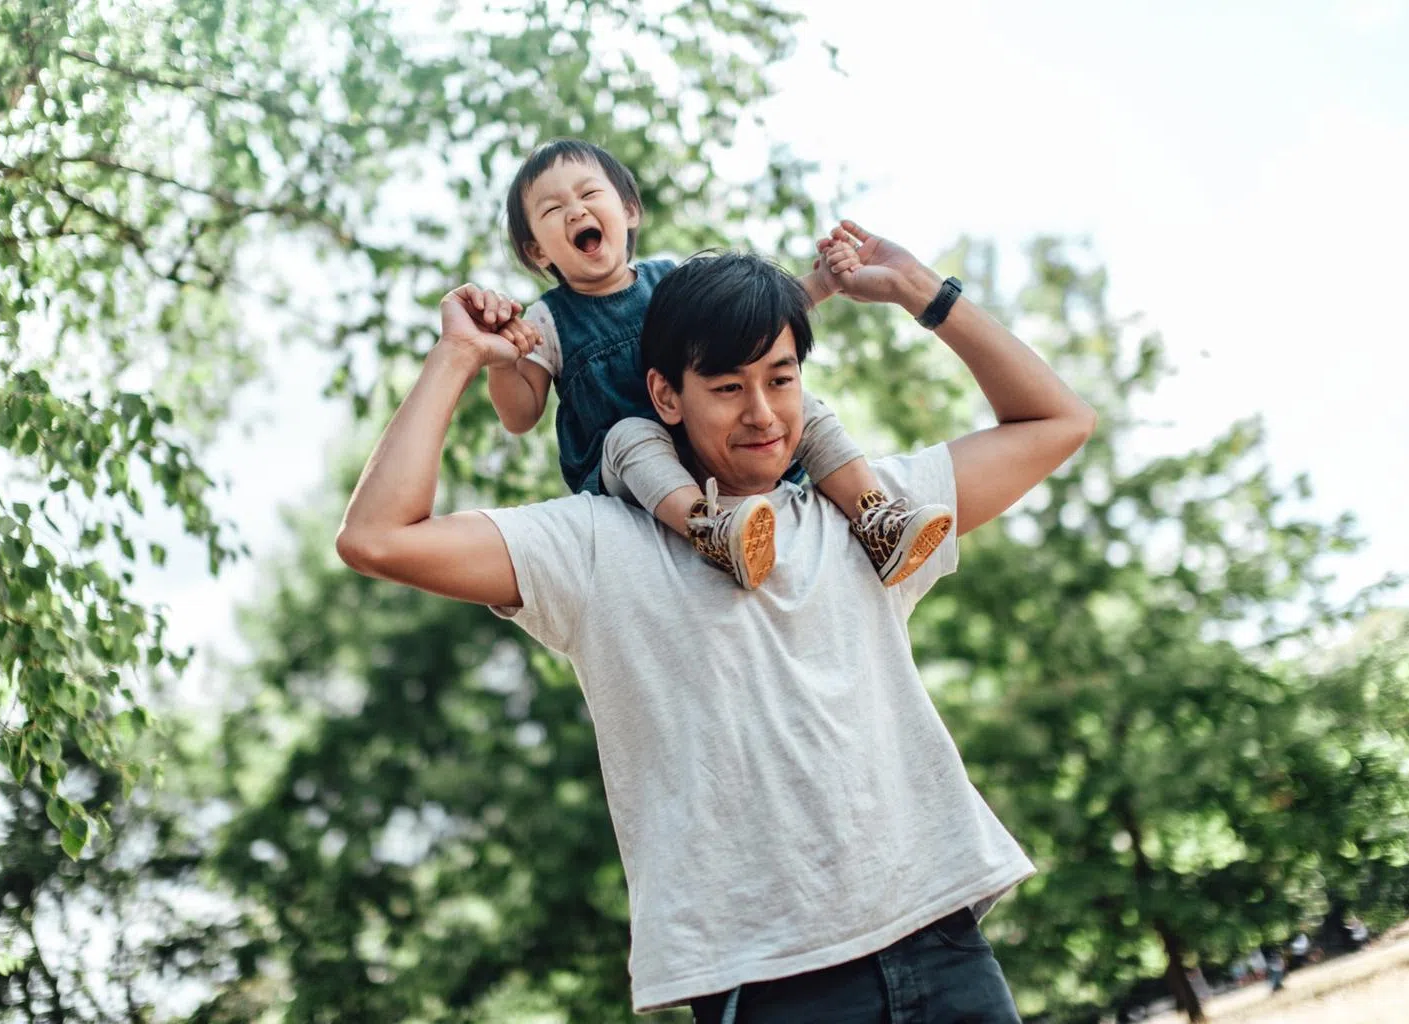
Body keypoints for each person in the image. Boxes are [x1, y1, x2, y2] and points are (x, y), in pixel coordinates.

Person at [335, 220, 1097, 1021]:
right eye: (729, 388)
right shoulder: (595, 546)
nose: (763, 414)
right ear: (667, 395)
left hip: (943, 947)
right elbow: (377, 536)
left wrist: (920, 291)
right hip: (768, 984)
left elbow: (1058, 422)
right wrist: (456, 356)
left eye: (782, 378)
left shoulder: (861, 514)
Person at [485, 137, 952, 589]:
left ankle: (876, 518)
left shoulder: (671, 279)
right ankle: (712, 531)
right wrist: (502, 363)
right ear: (538, 250)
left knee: (802, 407)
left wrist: (823, 283)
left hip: (709, 435)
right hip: (630, 466)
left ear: (628, 211)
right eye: (552, 209)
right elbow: (520, 416)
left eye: (589, 193)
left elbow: (750, 326)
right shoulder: (549, 319)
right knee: (632, 433)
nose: (576, 211)